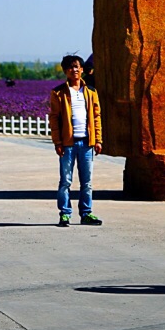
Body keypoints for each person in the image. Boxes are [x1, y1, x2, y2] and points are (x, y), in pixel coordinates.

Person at [49, 54, 103, 227]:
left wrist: (98, 140)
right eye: (71, 67)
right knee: (66, 181)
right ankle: (65, 213)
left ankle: (86, 213)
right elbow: (54, 119)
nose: (75, 70)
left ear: (82, 70)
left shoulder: (91, 92)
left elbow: (96, 117)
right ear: (65, 71)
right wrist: (57, 142)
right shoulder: (58, 93)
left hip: (87, 143)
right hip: (68, 144)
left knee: (87, 182)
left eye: (77, 66)